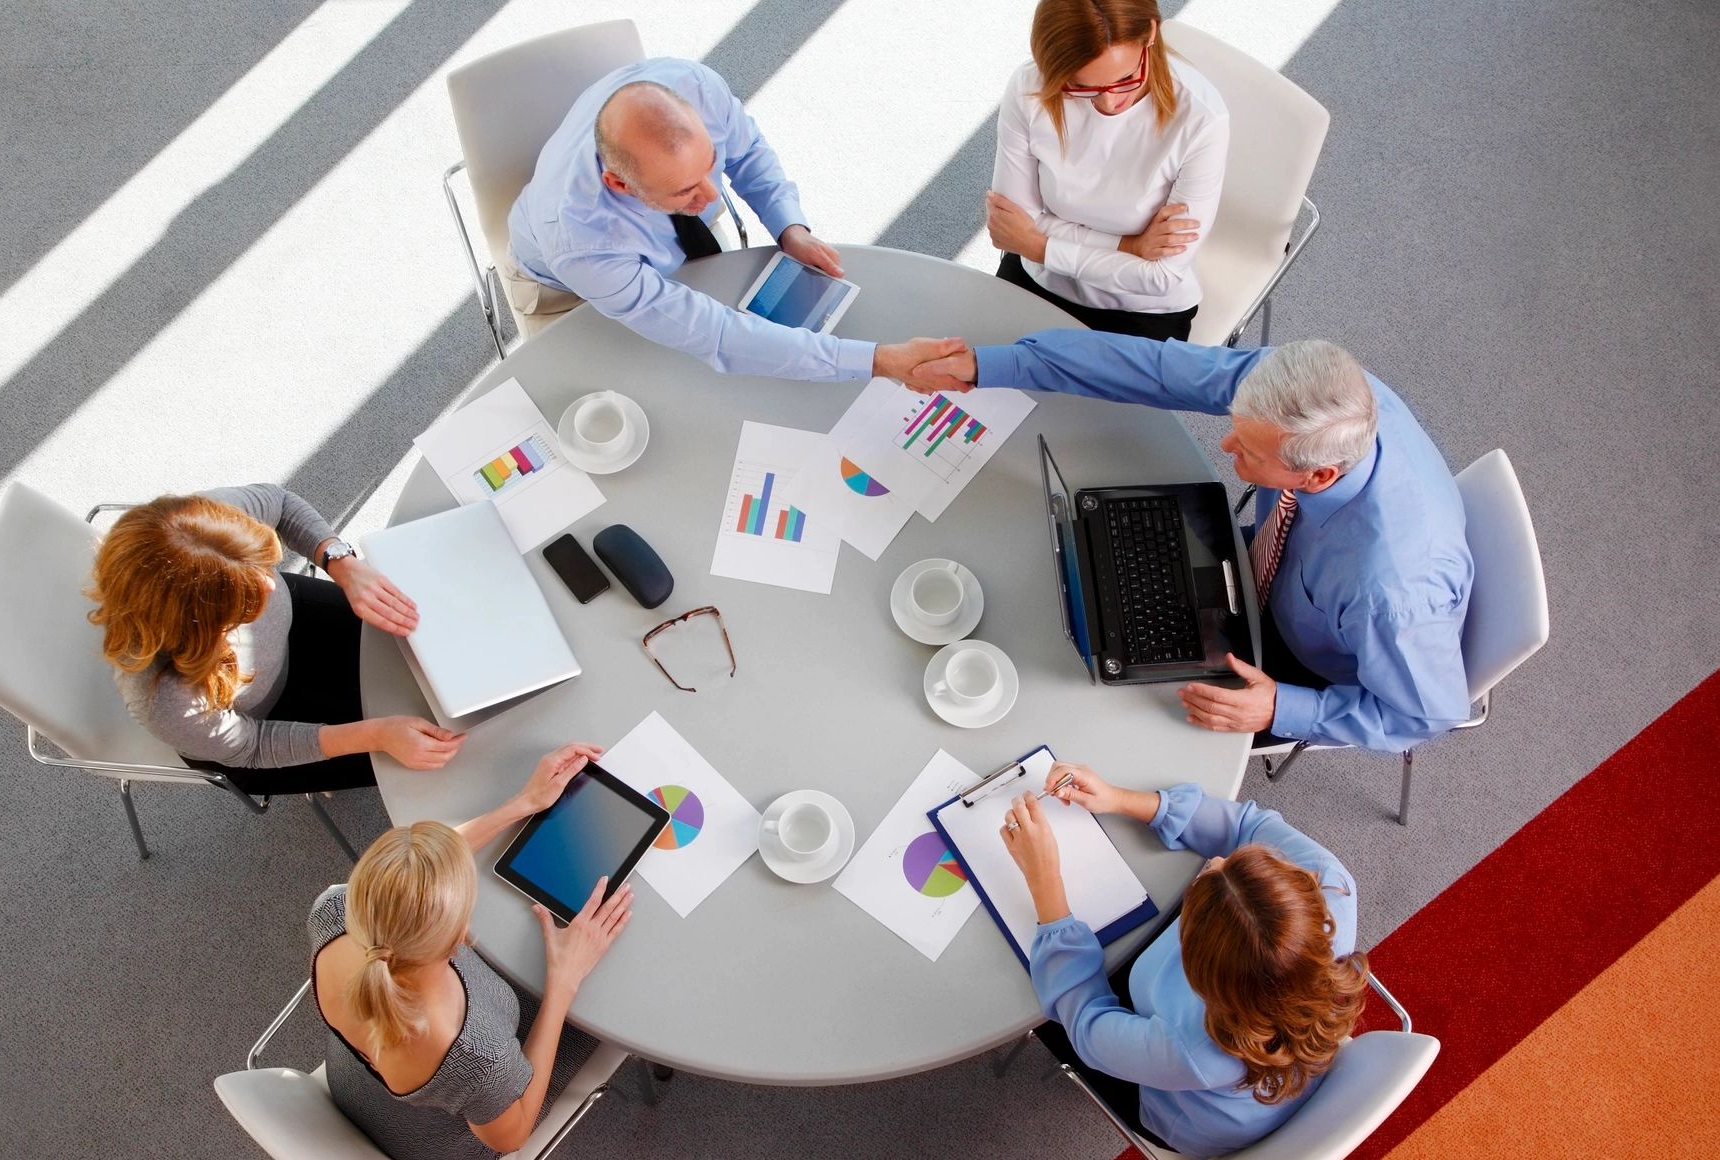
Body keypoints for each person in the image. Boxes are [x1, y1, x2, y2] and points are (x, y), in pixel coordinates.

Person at [905, 335, 1472, 752]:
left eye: (1249, 452)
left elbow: (1424, 715)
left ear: (1319, 476)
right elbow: (1158, 370)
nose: (1227, 444)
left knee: (1091, 717)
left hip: (1296, 665)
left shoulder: (1391, 593)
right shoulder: (1326, 394)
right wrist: (993, 365)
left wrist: (1281, 705)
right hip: (1260, 567)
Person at [506, 57, 963, 381]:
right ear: (621, 184)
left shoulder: (695, 86)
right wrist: (877, 361)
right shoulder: (581, 242)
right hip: (563, 291)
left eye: (709, 164)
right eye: (685, 189)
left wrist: (789, 227)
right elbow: (718, 336)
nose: (710, 197)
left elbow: (747, 152)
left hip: (666, 250)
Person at [1003, 768, 1367, 1156]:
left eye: (1209, 874)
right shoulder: (1330, 887)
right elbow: (1248, 824)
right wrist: (1120, 799)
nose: (1213, 860)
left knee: (1029, 999)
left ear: (1196, 968)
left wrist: (1045, 882)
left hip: (1187, 1114)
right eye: (1232, 864)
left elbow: (1088, 1028)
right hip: (1265, 1069)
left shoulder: (1191, 1051)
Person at [309, 742, 630, 1160]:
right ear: (459, 937)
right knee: (609, 1001)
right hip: (433, 1142)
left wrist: (522, 803)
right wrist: (563, 981)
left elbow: (418, 877)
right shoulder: (474, 1054)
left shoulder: (335, 910)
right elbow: (511, 1136)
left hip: (351, 1083)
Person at [88, 485, 464, 793]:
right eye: (244, 600)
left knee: (436, 644)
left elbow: (281, 503)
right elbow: (253, 746)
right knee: (436, 759)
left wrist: (344, 565)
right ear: (199, 623)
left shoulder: (203, 531)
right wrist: (377, 735)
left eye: (261, 566)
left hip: (295, 627)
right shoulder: (167, 700)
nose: (270, 584)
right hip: (264, 724)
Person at [988, 0, 1228, 341]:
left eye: (1126, 79)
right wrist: (1129, 246)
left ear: (1150, 34)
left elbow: (1159, 277)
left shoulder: (1202, 118)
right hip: (1039, 280)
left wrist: (1040, 246)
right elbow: (1010, 228)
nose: (1109, 103)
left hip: (1140, 309)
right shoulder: (1032, 87)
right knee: (972, 387)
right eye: (1080, 86)